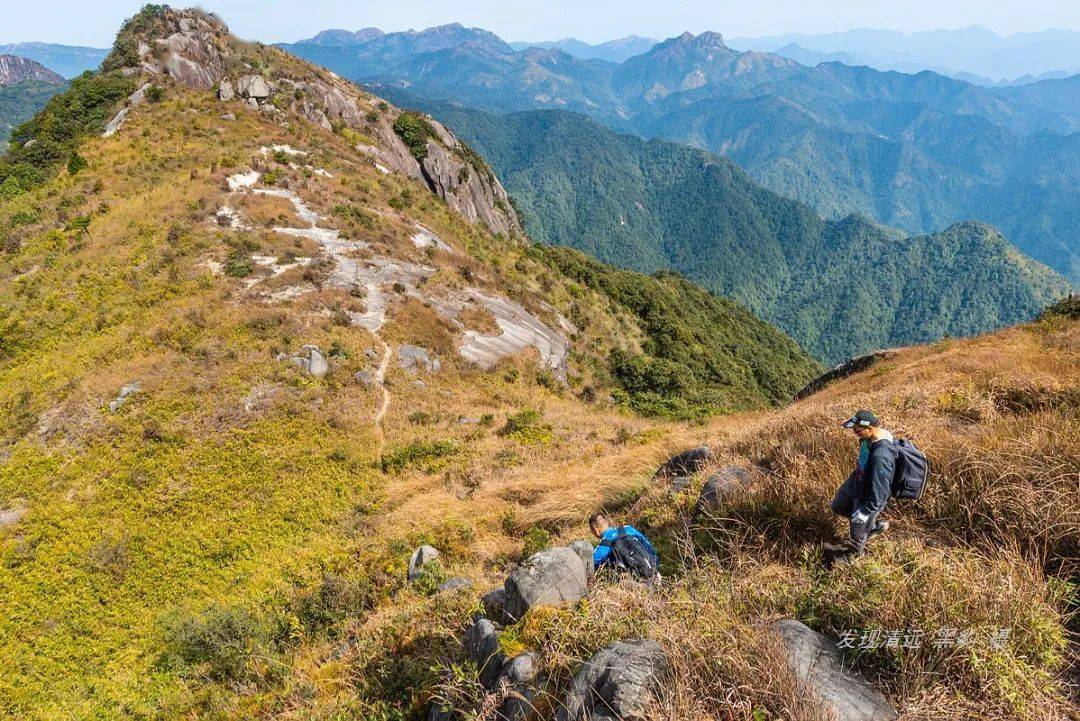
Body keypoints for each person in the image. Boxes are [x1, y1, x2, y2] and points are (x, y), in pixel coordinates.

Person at [825, 409, 897, 556]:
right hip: (856, 482)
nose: (854, 433)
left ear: (869, 428)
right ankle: (872, 526)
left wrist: (865, 512)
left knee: (857, 534)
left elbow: (880, 490)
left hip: (867, 496)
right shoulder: (868, 438)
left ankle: (852, 557)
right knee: (838, 506)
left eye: (857, 430)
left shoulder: (881, 455)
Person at [589, 512, 660, 580]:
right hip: (654, 570)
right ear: (607, 523)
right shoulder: (628, 528)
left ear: (595, 530)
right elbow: (648, 546)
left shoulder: (606, 543)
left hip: (636, 579)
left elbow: (591, 562)